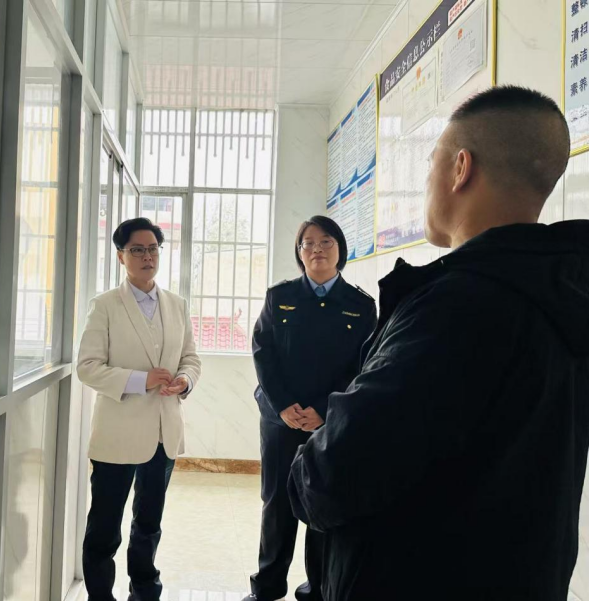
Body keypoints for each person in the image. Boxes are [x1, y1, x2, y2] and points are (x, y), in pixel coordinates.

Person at [288, 85, 589, 600]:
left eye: (431, 164)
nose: (427, 182)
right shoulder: (561, 291)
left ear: (460, 168)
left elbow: (335, 475)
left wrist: (304, 466)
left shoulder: (458, 307)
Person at [246, 216, 376, 601]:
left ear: (340, 249)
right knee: (276, 503)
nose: (317, 249)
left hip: (331, 421)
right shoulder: (279, 297)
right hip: (280, 419)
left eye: (326, 241)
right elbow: (263, 353)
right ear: (299, 252)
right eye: (308, 243)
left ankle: (317, 589)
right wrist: (284, 406)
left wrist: (323, 410)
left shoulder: (360, 305)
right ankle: (267, 586)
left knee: (322, 502)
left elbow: (364, 365)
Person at [77, 217, 202, 601]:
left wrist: (185, 380)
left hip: (164, 433)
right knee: (105, 526)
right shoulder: (105, 306)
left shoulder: (176, 305)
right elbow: (87, 367)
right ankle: (100, 595)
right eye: (137, 250)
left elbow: (191, 358)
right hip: (118, 435)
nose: (147, 257)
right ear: (121, 256)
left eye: (152, 249)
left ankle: (145, 590)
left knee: (148, 523)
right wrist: (140, 380)